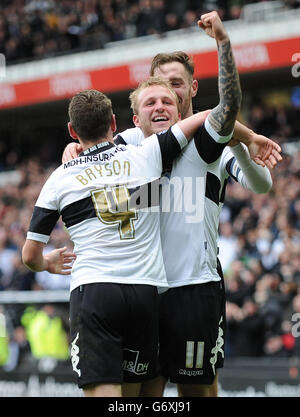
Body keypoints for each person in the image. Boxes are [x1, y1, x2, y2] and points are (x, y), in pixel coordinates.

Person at [62, 11, 282, 397]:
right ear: (138, 108)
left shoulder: (209, 145)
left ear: (192, 90)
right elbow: (96, 161)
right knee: (143, 390)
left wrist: (244, 141)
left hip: (194, 286)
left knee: (198, 389)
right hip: (143, 290)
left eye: (176, 87)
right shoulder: (131, 145)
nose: (169, 96)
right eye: (158, 90)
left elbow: (256, 175)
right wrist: (74, 150)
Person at [22, 60, 240, 397]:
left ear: (71, 131)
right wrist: (250, 135)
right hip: (144, 294)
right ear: (115, 122)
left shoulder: (60, 177)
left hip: (95, 291)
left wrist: (45, 262)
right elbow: (209, 116)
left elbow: (30, 255)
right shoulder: (145, 157)